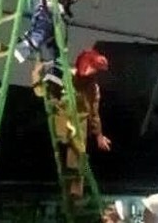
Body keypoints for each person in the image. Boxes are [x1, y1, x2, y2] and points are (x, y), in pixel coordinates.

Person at [35, 49, 113, 205]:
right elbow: (43, 91)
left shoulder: (93, 89)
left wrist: (99, 135)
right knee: (69, 141)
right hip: (63, 117)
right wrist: (37, 74)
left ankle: (76, 193)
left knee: (79, 154)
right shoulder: (66, 76)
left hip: (80, 123)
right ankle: (70, 186)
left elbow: (94, 114)